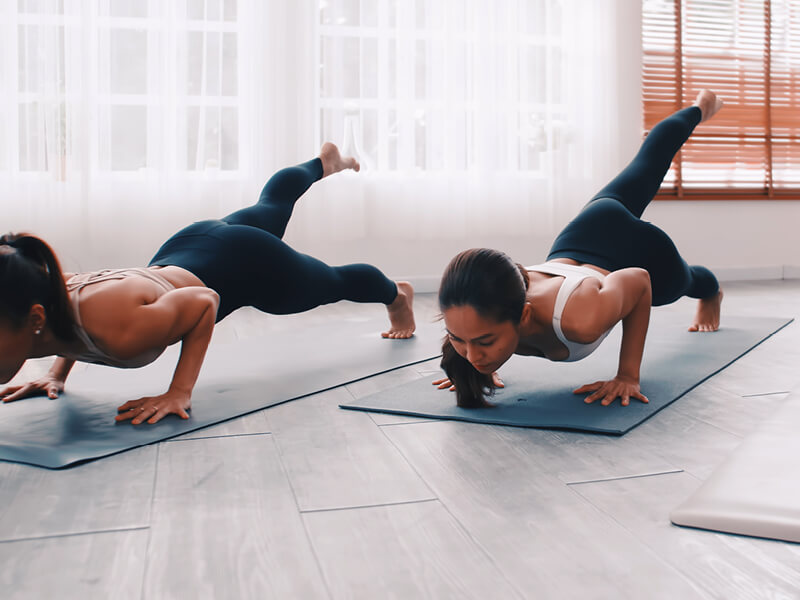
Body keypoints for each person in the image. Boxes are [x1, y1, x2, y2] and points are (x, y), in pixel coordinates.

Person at [0, 143, 416, 424]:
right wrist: (56, 374)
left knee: (330, 283)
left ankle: (396, 295)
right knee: (270, 206)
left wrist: (179, 391)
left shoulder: (120, 329)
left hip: (243, 264)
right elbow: (65, 312)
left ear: (33, 319)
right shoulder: (46, 296)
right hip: (191, 245)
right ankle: (323, 163)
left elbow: (204, 301)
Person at [433, 89, 724, 409]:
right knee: (647, 164)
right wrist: (468, 368)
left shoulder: (579, 321)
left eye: (485, 342)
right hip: (579, 239)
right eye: (458, 339)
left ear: (524, 314)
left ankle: (711, 292)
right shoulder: (475, 315)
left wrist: (627, 375)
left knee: (677, 283)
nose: (472, 355)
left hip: (630, 244)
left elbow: (639, 280)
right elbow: (468, 340)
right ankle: (699, 108)